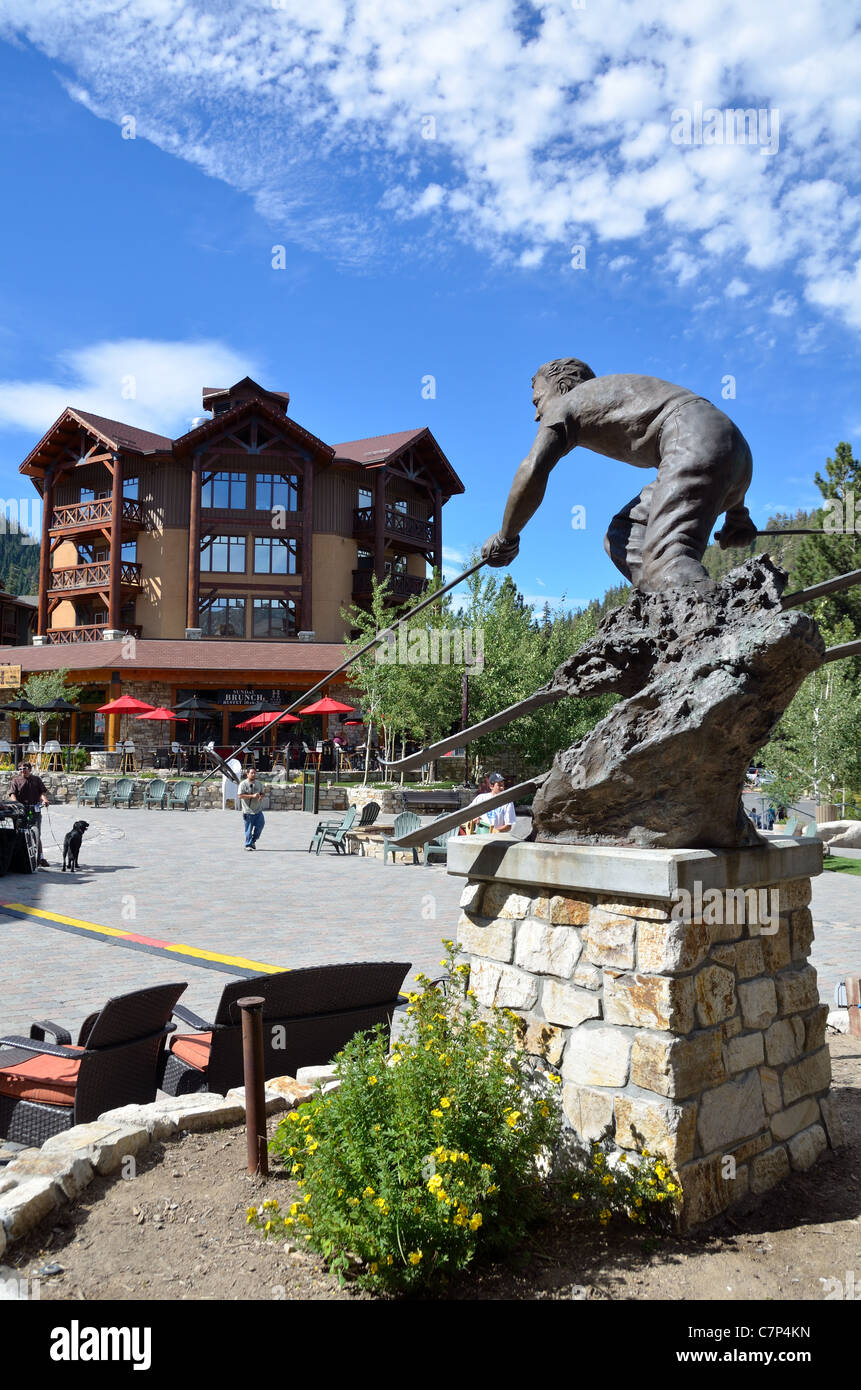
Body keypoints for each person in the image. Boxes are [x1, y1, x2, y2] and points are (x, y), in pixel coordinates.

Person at [481, 358, 758, 592]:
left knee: (669, 563)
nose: (537, 414)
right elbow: (715, 441)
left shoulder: (567, 402)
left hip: (691, 439)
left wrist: (506, 538)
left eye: (537, 402)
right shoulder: (603, 396)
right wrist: (737, 512)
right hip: (731, 451)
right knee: (625, 533)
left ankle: (708, 618)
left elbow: (532, 469)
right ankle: (662, 607)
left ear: (562, 388)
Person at [8, 762, 51, 866]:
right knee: (19, 833)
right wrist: (16, 803)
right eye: (20, 769)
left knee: (37, 833)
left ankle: (40, 858)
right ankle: (17, 857)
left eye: (25, 768)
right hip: (21, 809)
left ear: (30, 769)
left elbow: (42, 792)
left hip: (34, 808)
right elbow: (12, 794)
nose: (22, 771)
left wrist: (45, 800)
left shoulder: (36, 780)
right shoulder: (16, 780)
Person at [237, 766, 266, 850]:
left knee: (260, 826)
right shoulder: (243, 784)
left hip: (258, 810)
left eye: (254, 773)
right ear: (247, 774)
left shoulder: (259, 783)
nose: (253, 774)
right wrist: (252, 796)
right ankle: (248, 845)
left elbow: (262, 793)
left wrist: (261, 797)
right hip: (248, 811)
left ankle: (253, 840)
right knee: (248, 829)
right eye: (251, 773)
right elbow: (240, 796)